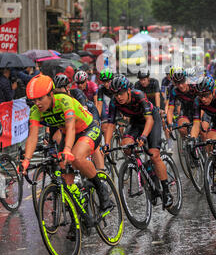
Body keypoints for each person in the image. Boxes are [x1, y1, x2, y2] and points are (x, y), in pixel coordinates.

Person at [21, 74, 113, 213]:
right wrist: (26, 160)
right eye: (34, 100)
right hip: (68, 133)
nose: (37, 103)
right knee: (64, 175)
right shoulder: (35, 111)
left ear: (51, 94)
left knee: (76, 157)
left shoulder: (64, 101)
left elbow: (70, 126)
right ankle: (80, 216)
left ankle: (101, 189)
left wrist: (68, 149)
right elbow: (32, 135)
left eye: (40, 99)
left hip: (87, 128)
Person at [104, 74, 173, 208]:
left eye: (121, 93)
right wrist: (106, 144)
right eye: (116, 94)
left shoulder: (139, 95)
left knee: (154, 154)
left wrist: (143, 137)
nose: (119, 96)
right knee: (125, 145)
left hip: (151, 120)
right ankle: (146, 171)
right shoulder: (114, 102)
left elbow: (149, 120)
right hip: (136, 122)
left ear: (128, 91)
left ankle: (166, 191)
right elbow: (110, 125)